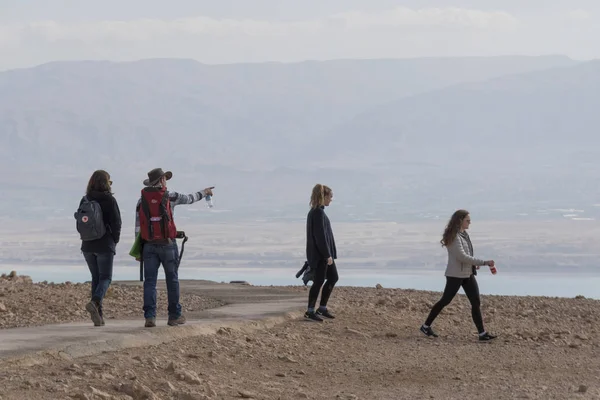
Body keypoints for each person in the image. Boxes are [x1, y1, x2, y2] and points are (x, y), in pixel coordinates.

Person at [135, 168, 214, 328]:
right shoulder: (171, 196)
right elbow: (190, 198)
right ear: (162, 180)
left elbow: (138, 228)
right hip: (168, 245)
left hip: (148, 246)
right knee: (172, 280)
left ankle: (150, 317)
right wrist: (204, 192)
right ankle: (174, 316)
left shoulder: (141, 200)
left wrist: (139, 251)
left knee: (150, 282)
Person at [420, 209, 497, 341]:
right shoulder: (455, 237)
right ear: (460, 220)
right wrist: (484, 262)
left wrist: (472, 264)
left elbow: (467, 256)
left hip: (467, 274)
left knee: (475, 301)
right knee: (445, 300)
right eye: (468, 220)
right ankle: (425, 326)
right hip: (455, 275)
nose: (470, 223)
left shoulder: (463, 234)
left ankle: (482, 333)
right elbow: (462, 256)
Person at [78, 170, 122, 327]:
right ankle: (95, 302)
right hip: (104, 245)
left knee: (96, 279)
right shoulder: (110, 200)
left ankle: (99, 316)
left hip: (87, 245)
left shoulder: (85, 199)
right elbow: (116, 223)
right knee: (106, 278)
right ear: (107, 183)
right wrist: (114, 241)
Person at [304, 184, 338, 322]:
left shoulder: (317, 212)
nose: (331, 200)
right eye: (330, 197)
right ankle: (310, 311)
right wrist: (327, 255)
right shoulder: (317, 213)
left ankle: (322, 308)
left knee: (332, 277)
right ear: (323, 197)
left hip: (323, 254)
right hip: (321, 255)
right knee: (318, 281)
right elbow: (320, 237)